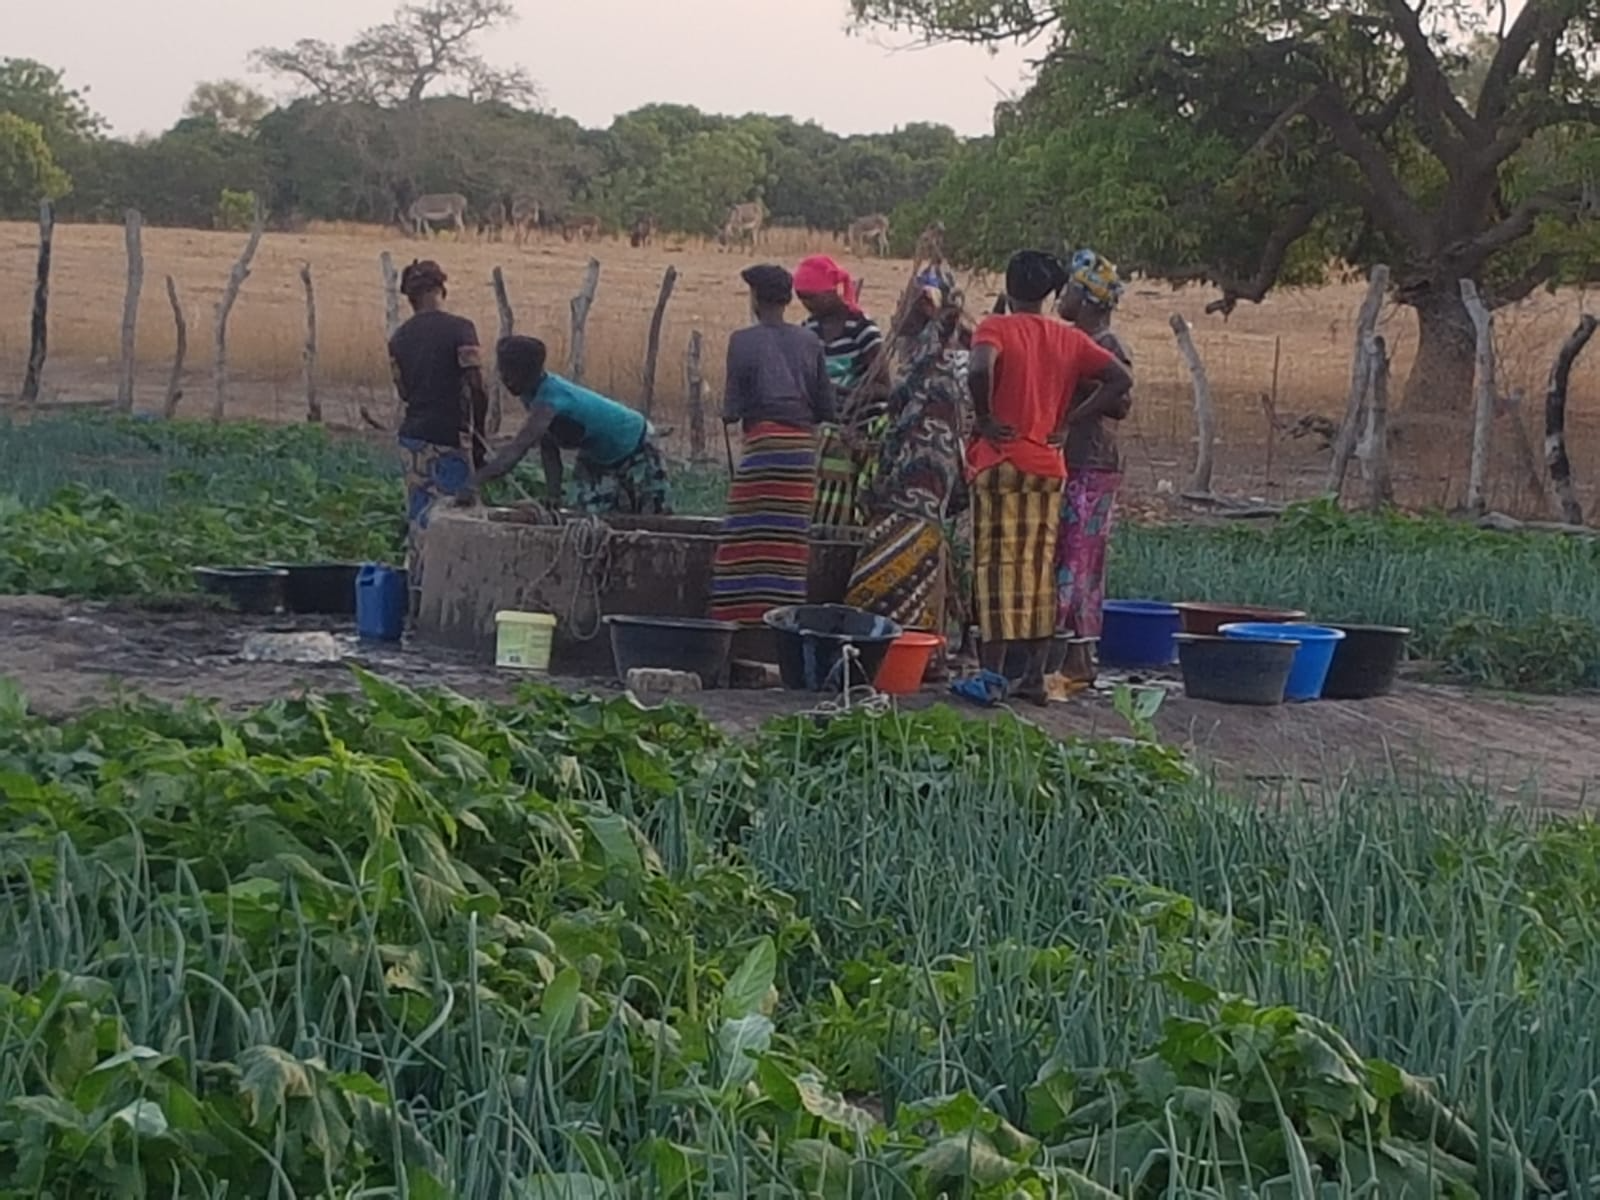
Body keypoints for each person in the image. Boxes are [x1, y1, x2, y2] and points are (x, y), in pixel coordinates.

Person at [959, 250, 1133, 706]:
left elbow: (979, 367)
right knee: (1038, 571)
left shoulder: (995, 327)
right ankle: (1035, 677)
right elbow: (1118, 381)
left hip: (1000, 463)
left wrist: (985, 415)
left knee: (995, 568)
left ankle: (991, 676)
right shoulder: (1067, 339)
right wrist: (1070, 419)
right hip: (1049, 466)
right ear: (1051, 294)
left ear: (1007, 288)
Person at [844, 265, 969, 638]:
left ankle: (908, 643)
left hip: (921, 477)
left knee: (884, 570)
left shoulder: (936, 352)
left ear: (927, 307)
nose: (899, 310)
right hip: (916, 473)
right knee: (917, 558)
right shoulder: (919, 351)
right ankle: (921, 645)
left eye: (907, 302)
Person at [710, 264, 835, 627]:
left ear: (755, 298)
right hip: (799, 455)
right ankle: (782, 621)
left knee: (740, 541)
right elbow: (826, 408)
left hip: (764, 447)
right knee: (788, 544)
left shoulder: (742, 341)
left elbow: (731, 410)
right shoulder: (811, 341)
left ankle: (739, 619)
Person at [466, 336, 671, 515]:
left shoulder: (550, 401)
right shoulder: (531, 393)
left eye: (512, 373)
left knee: (651, 519)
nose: (505, 380)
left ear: (532, 373)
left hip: (637, 447)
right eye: (503, 372)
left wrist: (473, 481)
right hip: (596, 457)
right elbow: (548, 445)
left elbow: (516, 451)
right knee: (587, 523)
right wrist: (553, 495)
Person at [388, 260, 490, 605]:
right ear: (441, 290)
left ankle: (419, 600)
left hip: (413, 439)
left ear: (410, 298)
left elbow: (404, 391)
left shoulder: (399, 339)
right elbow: (477, 386)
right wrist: (477, 440)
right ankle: (459, 601)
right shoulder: (462, 329)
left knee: (421, 523)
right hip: (452, 439)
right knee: (463, 522)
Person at [1055, 250, 1133, 660]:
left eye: (1068, 290)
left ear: (1086, 299)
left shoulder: (1105, 344)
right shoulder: (1078, 340)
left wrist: (1073, 412)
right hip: (1077, 458)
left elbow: (1121, 399)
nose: (1060, 298)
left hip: (1092, 460)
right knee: (1070, 555)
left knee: (1079, 557)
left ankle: (1078, 653)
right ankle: (1072, 651)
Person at [795, 255, 885, 528]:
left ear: (829, 292)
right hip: (826, 426)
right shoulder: (808, 330)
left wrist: (849, 396)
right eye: (801, 298)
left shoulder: (862, 329)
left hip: (858, 429)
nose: (806, 305)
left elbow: (884, 387)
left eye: (810, 297)